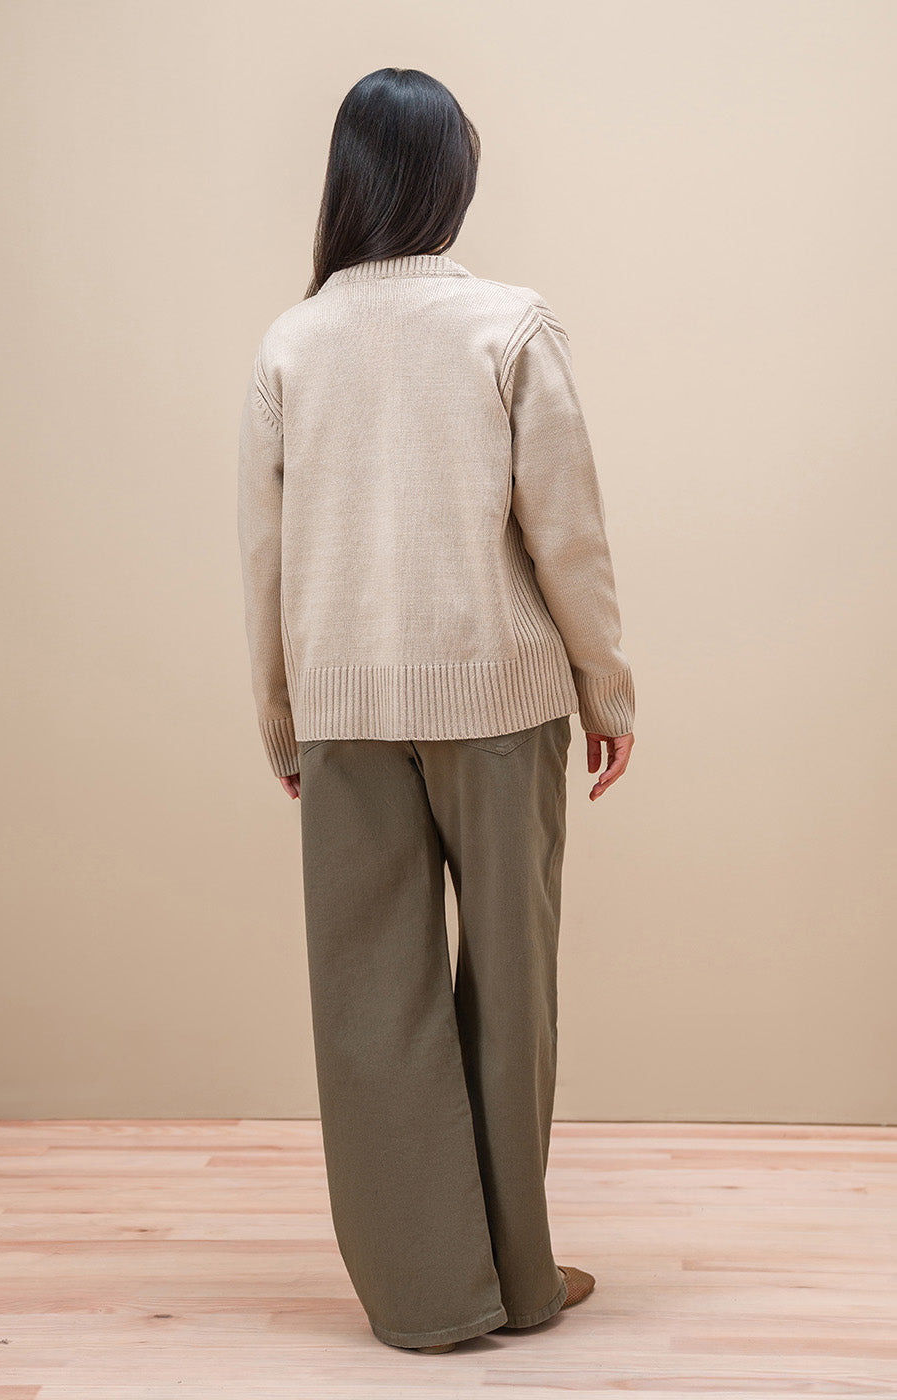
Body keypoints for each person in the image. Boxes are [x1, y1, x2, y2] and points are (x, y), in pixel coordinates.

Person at [237, 66, 636, 1355]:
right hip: (499, 701)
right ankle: (518, 1278)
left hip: (346, 709)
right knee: (511, 990)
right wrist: (606, 684)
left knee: (371, 1001)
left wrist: (282, 718)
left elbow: (265, 558)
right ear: (446, 179)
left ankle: (426, 1298)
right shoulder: (508, 327)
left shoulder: (291, 345)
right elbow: (566, 533)